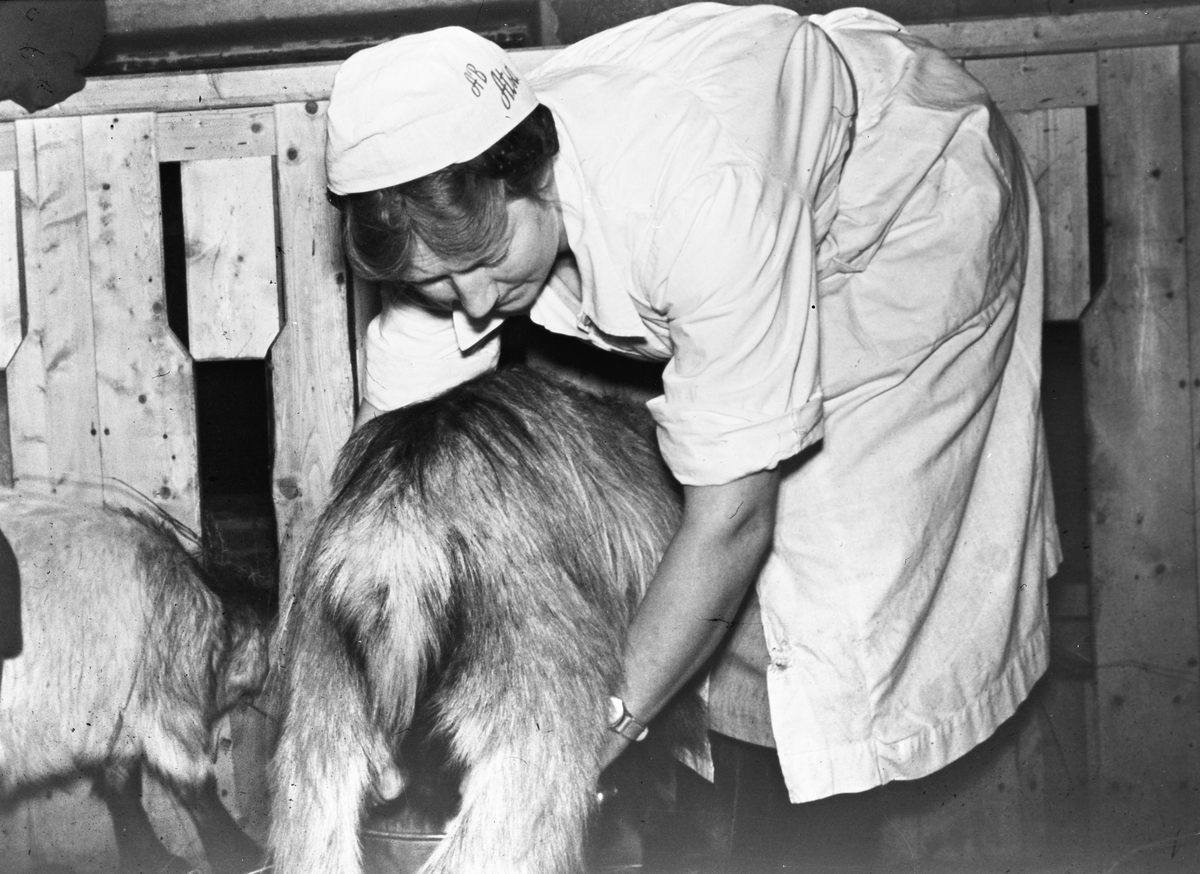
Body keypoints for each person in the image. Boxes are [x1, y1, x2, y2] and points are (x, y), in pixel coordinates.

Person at [323, 1, 1061, 822]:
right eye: (432, 282)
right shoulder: (448, 212)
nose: (470, 302)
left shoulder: (695, 195)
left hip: (898, 210)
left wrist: (590, 736)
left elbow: (734, 519)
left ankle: (817, 833)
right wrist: (361, 714)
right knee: (715, 586)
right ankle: (736, 809)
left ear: (533, 173)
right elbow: (382, 498)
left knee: (832, 598)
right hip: (743, 205)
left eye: (490, 258)